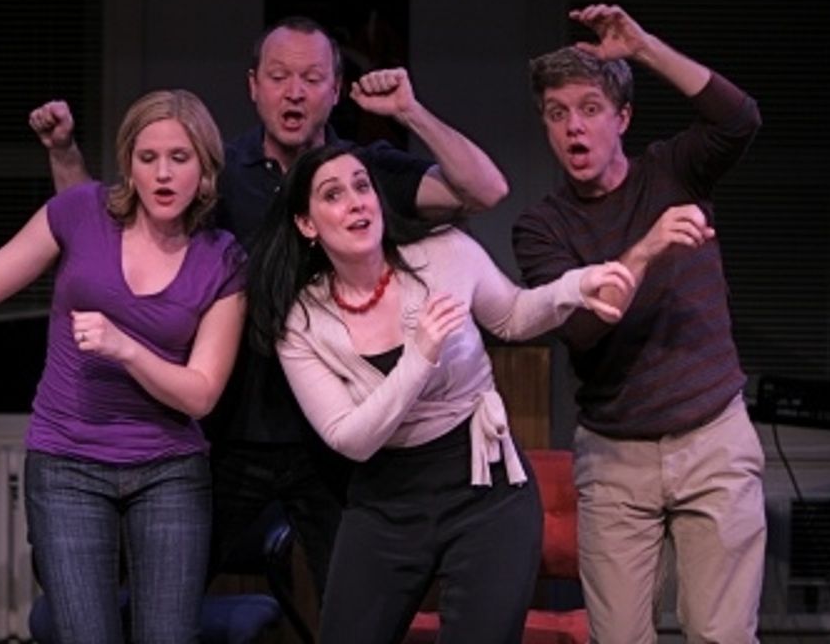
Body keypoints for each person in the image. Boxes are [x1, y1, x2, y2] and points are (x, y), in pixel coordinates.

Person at [29, 16, 509, 598]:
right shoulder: (214, 173)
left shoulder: (362, 173)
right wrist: (63, 154)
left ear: (334, 90)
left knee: (360, 611)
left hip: (337, 437)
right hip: (229, 433)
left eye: (312, 78)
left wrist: (409, 111)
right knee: (152, 600)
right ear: (253, 85)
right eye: (279, 76)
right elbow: (97, 231)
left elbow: (485, 191)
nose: (295, 91)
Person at [0, 90, 247, 644]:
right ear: (129, 164)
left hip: (169, 472)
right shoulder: (83, 213)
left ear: (205, 171)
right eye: (148, 158)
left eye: (180, 158)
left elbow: (200, 395)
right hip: (67, 466)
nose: (163, 174)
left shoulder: (222, 259)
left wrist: (124, 347)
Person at [246, 142, 634, 644]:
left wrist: (576, 287)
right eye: (333, 195)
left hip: (485, 485)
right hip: (386, 499)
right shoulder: (302, 320)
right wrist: (419, 356)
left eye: (363, 187)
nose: (357, 202)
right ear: (307, 224)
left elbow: (513, 316)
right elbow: (350, 438)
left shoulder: (445, 252)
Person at [512, 4, 766, 643]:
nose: (575, 128)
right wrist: (647, 248)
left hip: (713, 439)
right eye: (557, 113)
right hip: (616, 458)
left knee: (722, 637)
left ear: (622, 117)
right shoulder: (543, 228)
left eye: (591, 109)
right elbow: (582, 331)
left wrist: (645, 49)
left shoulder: (673, 170)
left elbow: (740, 119)